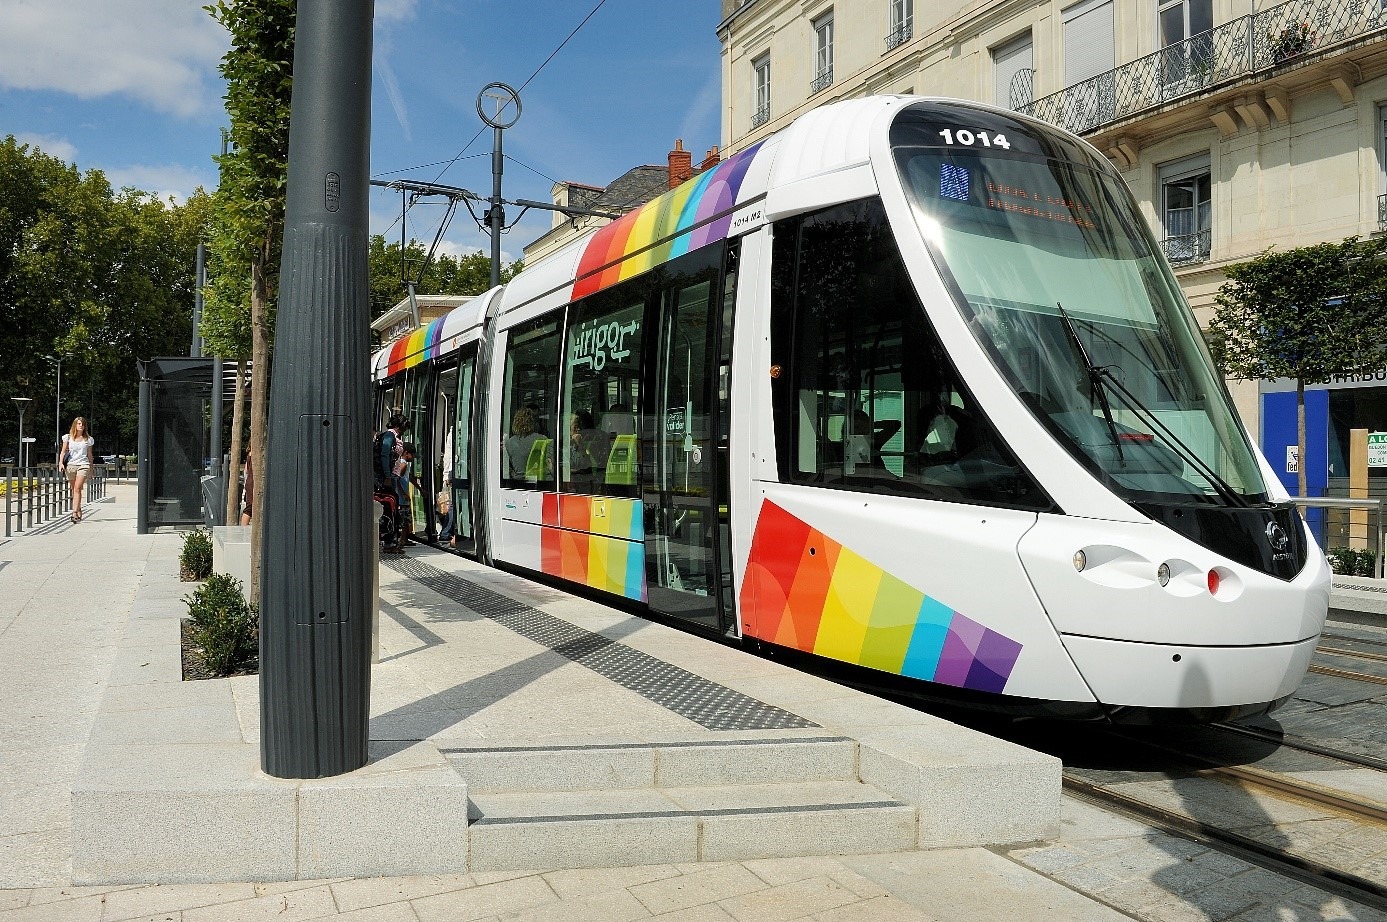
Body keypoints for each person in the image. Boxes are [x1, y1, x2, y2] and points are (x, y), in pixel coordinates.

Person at [375, 413, 408, 552]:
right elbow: (384, 455)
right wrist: (388, 476)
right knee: (389, 508)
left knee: (391, 508)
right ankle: (388, 543)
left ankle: (389, 541)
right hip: (388, 478)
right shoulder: (389, 436)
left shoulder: (392, 436)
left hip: (391, 476)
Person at [58, 416, 95, 523]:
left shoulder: (88, 439)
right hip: (70, 465)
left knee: (78, 488)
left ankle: (74, 512)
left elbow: (89, 455)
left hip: (83, 464)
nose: (81, 426)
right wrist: (60, 463)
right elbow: (63, 451)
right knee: (74, 489)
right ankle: (78, 509)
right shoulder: (68, 438)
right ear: (75, 425)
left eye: (82, 424)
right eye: (79, 424)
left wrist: (91, 469)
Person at [505, 407, 543, 480]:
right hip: (538, 482)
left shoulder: (509, 442)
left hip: (516, 483)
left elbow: (506, 467)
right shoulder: (542, 439)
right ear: (533, 422)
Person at [239, 448, 254, 525]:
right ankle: (243, 528)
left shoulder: (250, 454)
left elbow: (246, 470)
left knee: (249, 507)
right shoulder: (255, 453)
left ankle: (244, 527)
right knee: (249, 509)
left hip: (249, 482)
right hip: (253, 483)